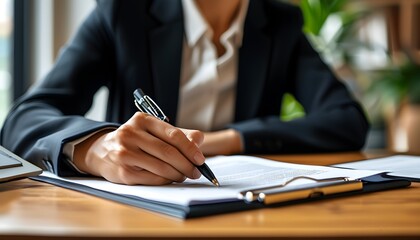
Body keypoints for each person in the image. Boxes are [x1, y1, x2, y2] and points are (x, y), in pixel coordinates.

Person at [0, 0, 369, 185]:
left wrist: (227, 141)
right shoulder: (124, 12)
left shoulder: (279, 22)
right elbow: (24, 118)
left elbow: (346, 120)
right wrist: (94, 148)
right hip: (134, 218)